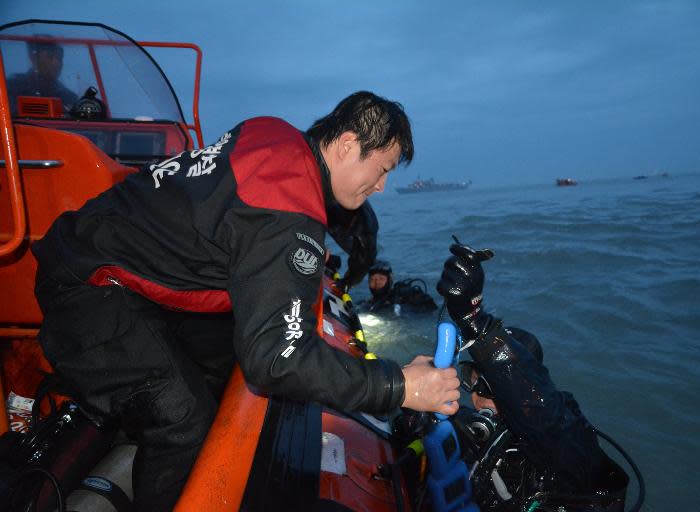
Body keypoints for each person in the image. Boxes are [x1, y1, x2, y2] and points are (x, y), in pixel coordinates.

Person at [31, 91, 460, 510]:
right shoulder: (290, 205)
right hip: (87, 285)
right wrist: (400, 385)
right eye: (382, 168)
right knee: (184, 420)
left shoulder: (276, 137)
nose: (382, 187)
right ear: (348, 144)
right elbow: (278, 360)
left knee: (219, 365)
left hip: (97, 252)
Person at [435, 242, 629, 511]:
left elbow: (541, 411)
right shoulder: (480, 433)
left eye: (492, 388)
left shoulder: (568, 441)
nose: (477, 396)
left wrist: (474, 321)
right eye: (472, 380)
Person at [6, 37, 79, 115]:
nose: (56, 63)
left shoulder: (69, 97)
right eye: (50, 57)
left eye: (59, 58)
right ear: (34, 58)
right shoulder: (13, 88)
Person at [359, 259, 438, 314]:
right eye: (372, 279)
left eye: (381, 278)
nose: (377, 282)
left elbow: (432, 308)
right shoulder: (366, 304)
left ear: (390, 279)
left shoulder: (404, 296)